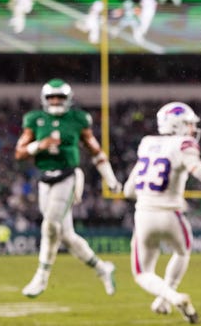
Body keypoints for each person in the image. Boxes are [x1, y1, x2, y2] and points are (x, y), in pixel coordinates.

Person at [15, 78, 123, 298]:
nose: (55, 101)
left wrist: (110, 179)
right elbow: (19, 152)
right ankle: (103, 268)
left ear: (68, 99)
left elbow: (95, 151)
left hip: (68, 176)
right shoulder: (35, 119)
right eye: (52, 97)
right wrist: (40, 145)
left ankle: (41, 277)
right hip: (45, 179)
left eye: (60, 97)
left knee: (50, 225)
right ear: (44, 100)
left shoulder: (77, 119)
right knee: (66, 236)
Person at [123, 102, 201, 324]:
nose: (193, 129)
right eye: (189, 124)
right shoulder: (183, 145)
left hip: (144, 216)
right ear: (177, 125)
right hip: (172, 215)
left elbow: (129, 190)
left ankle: (170, 298)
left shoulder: (147, 143)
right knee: (182, 252)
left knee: (142, 273)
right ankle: (170, 295)